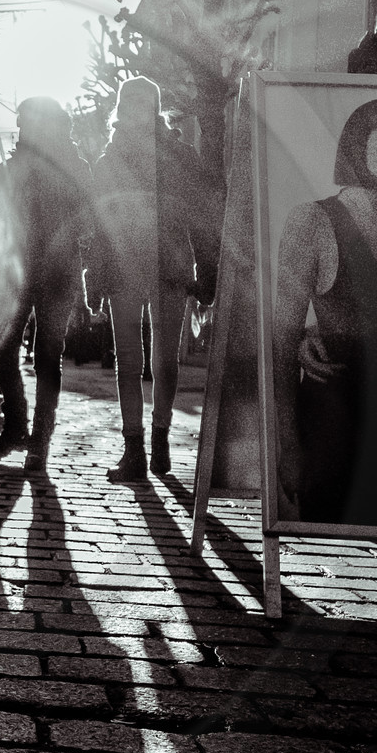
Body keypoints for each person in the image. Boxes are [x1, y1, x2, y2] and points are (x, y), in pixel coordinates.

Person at [273, 99, 377, 524]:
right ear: (356, 144)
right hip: (336, 427)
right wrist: (288, 445)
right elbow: (279, 341)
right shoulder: (312, 219)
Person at [86, 77, 217, 481]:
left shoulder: (119, 158)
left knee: (153, 361)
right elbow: (98, 224)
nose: (137, 111)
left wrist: (208, 272)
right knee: (146, 361)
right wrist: (94, 279)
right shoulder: (166, 155)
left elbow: (200, 217)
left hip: (164, 268)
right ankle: (144, 448)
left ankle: (147, 447)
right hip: (144, 268)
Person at [0, 98, 95, 471]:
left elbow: (88, 217)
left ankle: (40, 440)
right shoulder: (9, 168)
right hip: (15, 271)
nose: (20, 127)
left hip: (57, 272)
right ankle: (16, 425)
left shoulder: (73, 167)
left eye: (26, 121)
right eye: (19, 121)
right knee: (3, 349)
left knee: (47, 357)